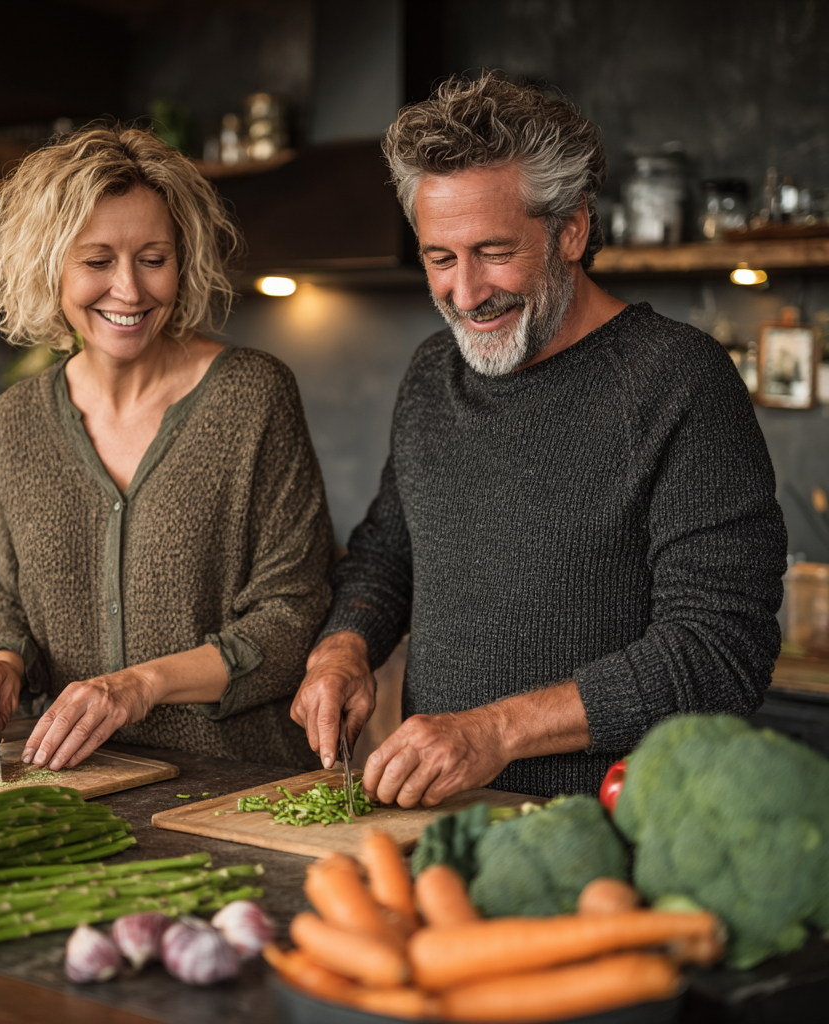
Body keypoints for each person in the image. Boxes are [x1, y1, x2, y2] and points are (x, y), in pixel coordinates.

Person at [291, 73, 787, 806]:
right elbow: (391, 548)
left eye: (494, 251)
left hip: (615, 834)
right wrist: (344, 647)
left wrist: (494, 733)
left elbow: (721, 650)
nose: (464, 293)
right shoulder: (435, 371)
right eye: (439, 257)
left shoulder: (679, 380)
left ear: (573, 230)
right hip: (441, 821)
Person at [0, 124, 334, 770]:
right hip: (69, 791)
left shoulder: (252, 396)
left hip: (233, 788)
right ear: (50, 266)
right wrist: (2, 664)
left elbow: (290, 619)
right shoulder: (15, 421)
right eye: (98, 261)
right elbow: (7, 603)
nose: (129, 290)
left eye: (152, 259)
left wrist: (138, 687)